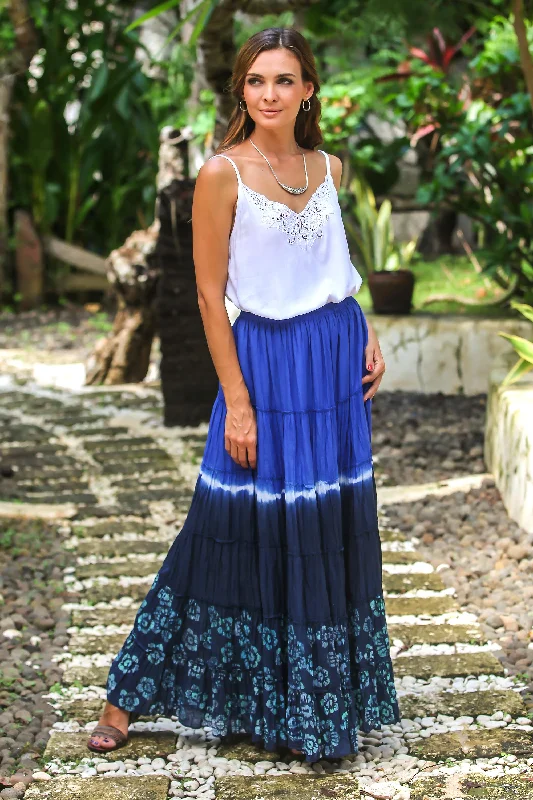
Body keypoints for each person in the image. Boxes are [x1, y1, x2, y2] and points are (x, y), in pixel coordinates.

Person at [87, 25, 400, 763]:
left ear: (308, 90)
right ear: (241, 90)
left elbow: (337, 263)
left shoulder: (329, 166)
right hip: (261, 362)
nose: (268, 94)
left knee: (322, 523)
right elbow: (205, 291)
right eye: (256, 81)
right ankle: (123, 697)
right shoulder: (221, 171)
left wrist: (368, 333)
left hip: (331, 362)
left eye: (283, 80)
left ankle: (309, 706)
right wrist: (238, 399)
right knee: (220, 521)